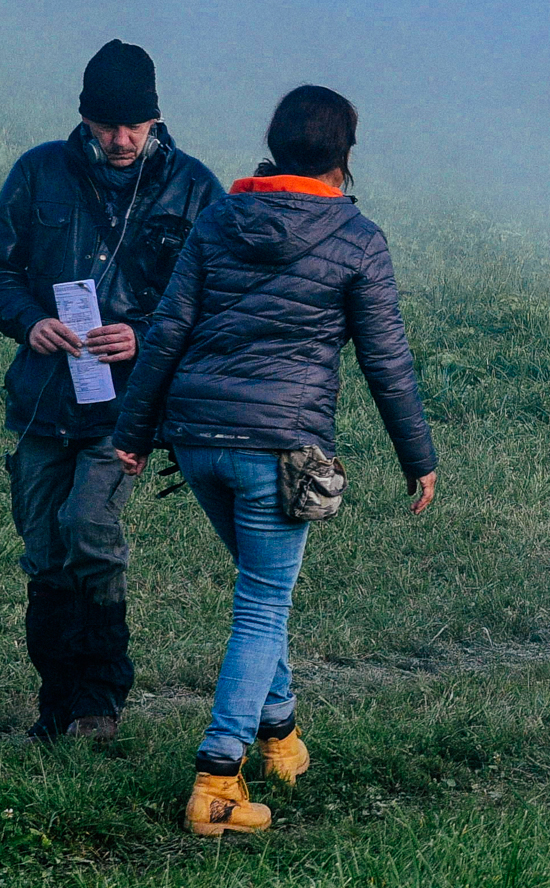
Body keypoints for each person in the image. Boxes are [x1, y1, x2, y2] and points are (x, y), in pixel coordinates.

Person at [111, 85, 438, 837]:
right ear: (343, 155)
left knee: (266, 590)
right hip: (279, 449)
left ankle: (280, 732)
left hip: (196, 443)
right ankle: (218, 777)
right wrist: (417, 457)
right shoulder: (358, 238)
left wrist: (133, 431)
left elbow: (166, 331)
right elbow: (387, 363)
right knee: (262, 605)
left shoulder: (219, 217)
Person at [0, 40, 223, 742]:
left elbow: (217, 296)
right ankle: (56, 704)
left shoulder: (194, 188)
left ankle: (101, 701)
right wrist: (31, 323)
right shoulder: (38, 173)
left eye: (134, 126)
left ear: (155, 119)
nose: (120, 140)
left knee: (89, 529)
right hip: (44, 401)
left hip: (129, 407)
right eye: (107, 125)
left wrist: (142, 333)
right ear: (83, 118)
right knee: (46, 551)